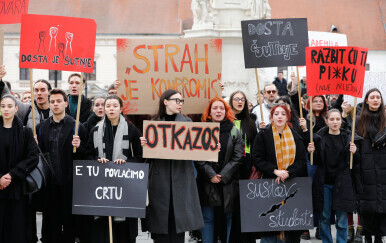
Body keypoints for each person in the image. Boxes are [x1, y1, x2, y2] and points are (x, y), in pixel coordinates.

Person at [140, 89, 204, 243]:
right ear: (165, 102)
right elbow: (147, 157)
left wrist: (210, 147)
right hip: (159, 181)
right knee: (160, 228)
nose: (180, 103)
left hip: (180, 179)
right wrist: (144, 146)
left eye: (182, 101)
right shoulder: (153, 124)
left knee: (177, 226)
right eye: (177, 100)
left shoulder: (188, 123)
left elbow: (197, 150)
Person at [85, 95, 143, 243]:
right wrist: (98, 161)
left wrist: (126, 163)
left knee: (124, 232)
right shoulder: (95, 130)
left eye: (115, 106)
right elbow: (88, 155)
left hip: (125, 188)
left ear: (121, 108)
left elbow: (140, 157)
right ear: (104, 109)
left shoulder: (132, 130)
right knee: (102, 231)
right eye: (108, 106)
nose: (111, 109)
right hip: (102, 189)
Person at [36, 88, 88, 243]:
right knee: (50, 226)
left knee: (69, 225)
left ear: (66, 103)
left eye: (59, 101)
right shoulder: (41, 128)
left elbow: (86, 156)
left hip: (70, 184)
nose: (55, 104)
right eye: (52, 102)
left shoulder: (78, 127)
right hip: (49, 185)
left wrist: (79, 146)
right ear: (49, 104)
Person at [252, 104, 307, 243]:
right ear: (271, 117)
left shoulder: (295, 136)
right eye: (276, 114)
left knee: (291, 226)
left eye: (283, 113)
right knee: (270, 225)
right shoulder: (263, 135)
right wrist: (275, 170)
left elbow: (301, 160)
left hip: (291, 184)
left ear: (288, 116)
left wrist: (288, 172)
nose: (280, 116)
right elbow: (257, 158)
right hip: (270, 185)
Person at [307, 109, 360, 243]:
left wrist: (355, 152)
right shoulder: (319, 138)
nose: (335, 122)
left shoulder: (348, 138)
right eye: (332, 119)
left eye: (337, 119)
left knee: (341, 218)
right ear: (327, 121)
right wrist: (311, 152)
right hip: (324, 183)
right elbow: (315, 160)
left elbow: (355, 162)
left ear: (341, 121)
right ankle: (327, 241)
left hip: (342, 183)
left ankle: (341, 241)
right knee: (324, 216)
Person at [196, 97, 244, 243]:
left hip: (227, 183)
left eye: (221, 108)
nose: (218, 111)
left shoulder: (234, 131)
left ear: (226, 111)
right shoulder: (202, 130)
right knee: (208, 218)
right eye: (215, 108)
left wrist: (223, 176)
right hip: (207, 182)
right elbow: (197, 156)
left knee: (228, 217)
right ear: (209, 112)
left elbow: (238, 158)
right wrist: (211, 174)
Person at [0, 94, 39, 243]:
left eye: (10, 106)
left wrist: (11, 175)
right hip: (0, 187)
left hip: (18, 189)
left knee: (16, 231)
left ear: (16, 108)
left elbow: (32, 157)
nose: (6, 109)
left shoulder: (25, 132)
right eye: (3, 106)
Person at [354, 88, 386, 243]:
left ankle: (379, 236)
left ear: (381, 100)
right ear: (366, 100)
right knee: (367, 205)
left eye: (378, 97)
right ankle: (367, 235)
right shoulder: (359, 119)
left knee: (382, 203)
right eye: (372, 97)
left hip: (383, 165)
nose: (375, 99)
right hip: (366, 166)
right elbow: (355, 141)